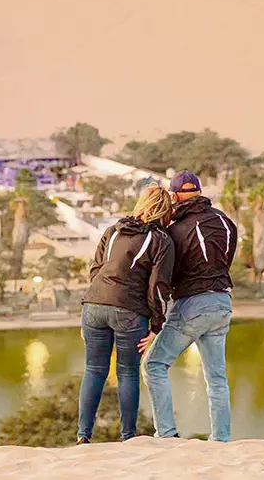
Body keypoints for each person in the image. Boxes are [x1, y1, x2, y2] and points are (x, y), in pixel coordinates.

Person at [141, 171, 237, 442]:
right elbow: (225, 261)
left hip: (192, 305)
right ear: (199, 191)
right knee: (217, 378)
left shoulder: (173, 231)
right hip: (222, 302)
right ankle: (221, 439)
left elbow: (168, 275)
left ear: (174, 195)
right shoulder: (225, 221)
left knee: (155, 365)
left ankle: (167, 435)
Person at [77, 184, 175, 445]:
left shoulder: (113, 231)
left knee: (93, 370)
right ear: (165, 211)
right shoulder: (161, 240)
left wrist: (97, 302)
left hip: (93, 305)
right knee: (128, 373)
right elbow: (158, 286)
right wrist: (157, 325)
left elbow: (95, 269)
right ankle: (127, 438)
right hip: (129, 312)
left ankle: (83, 435)